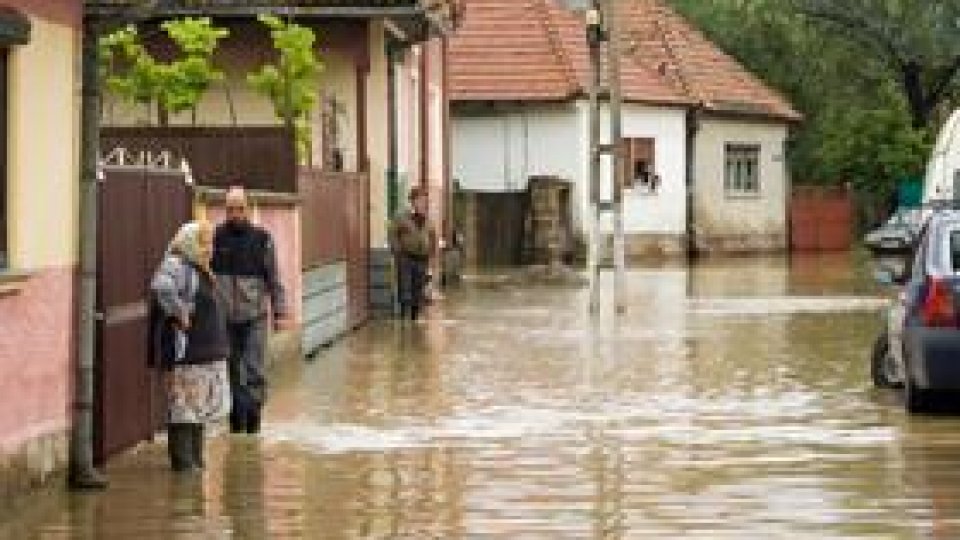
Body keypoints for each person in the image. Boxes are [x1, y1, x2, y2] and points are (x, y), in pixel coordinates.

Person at [150, 221, 231, 473]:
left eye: (211, 243)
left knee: (197, 412)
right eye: (204, 242)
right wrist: (180, 313)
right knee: (184, 411)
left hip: (205, 355)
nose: (209, 248)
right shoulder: (177, 263)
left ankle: (195, 466)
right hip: (188, 355)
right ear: (190, 243)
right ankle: (184, 467)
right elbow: (161, 287)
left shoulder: (199, 267)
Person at [212, 186, 288, 435]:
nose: (235, 214)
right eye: (230, 209)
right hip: (225, 320)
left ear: (248, 208)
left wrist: (280, 312)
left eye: (240, 209)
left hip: (255, 317)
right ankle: (236, 424)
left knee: (254, 369)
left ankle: (254, 425)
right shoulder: (215, 237)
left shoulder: (262, 239)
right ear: (225, 210)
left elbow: (274, 277)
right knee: (231, 371)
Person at [390, 187, 437, 321]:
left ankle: (414, 319)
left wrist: (432, 259)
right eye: (420, 200)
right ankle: (403, 318)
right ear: (412, 201)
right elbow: (393, 233)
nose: (422, 203)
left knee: (418, 288)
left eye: (424, 200)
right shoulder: (401, 217)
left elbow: (433, 239)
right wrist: (397, 251)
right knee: (405, 288)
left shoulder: (428, 220)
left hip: (422, 259)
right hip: (406, 257)